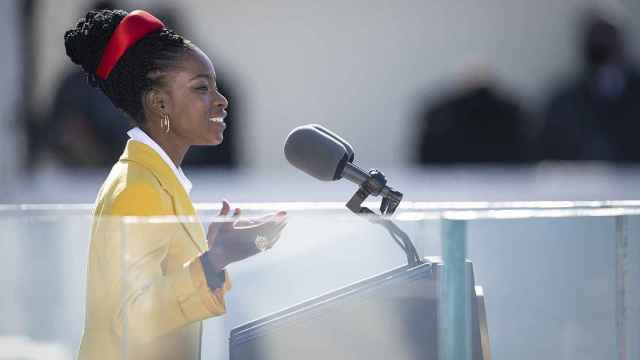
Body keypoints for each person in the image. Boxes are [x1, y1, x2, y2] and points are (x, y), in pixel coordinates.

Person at [64, 8, 287, 359]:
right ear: (160, 103)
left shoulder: (156, 180)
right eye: (201, 87)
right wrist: (213, 262)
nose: (221, 100)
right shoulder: (137, 189)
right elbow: (130, 319)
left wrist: (216, 260)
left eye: (215, 86)